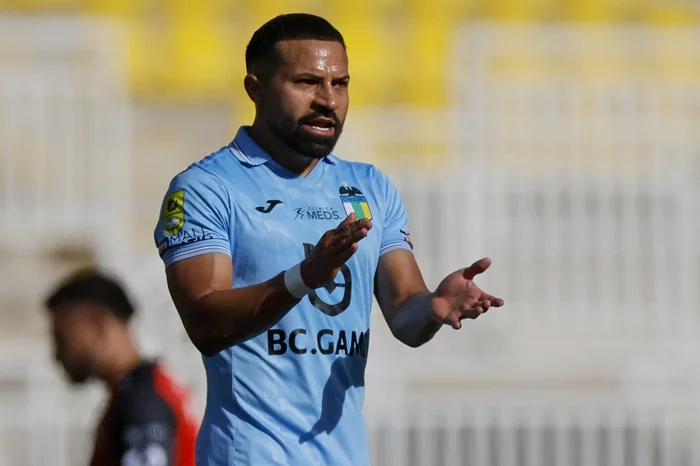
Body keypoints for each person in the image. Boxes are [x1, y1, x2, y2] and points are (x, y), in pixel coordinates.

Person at [153, 12, 504, 466]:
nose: (328, 100)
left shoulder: (369, 188)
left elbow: (405, 313)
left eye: (340, 84)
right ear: (256, 88)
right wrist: (304, 276)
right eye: (306, 82)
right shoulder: (207, 188)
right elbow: (205, 324)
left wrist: (434, 306)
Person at [44, 269, 199, 466]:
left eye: (62, 339)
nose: (57, 355)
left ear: (99, 325)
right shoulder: (136, 391)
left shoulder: (143, 401)